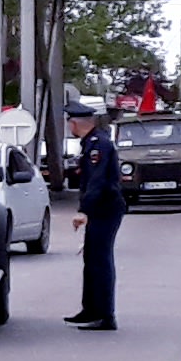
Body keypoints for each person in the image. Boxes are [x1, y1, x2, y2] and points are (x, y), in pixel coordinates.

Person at [64, 98, 124, 330]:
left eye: (70, 122)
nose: (69, 126)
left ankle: (105, 315)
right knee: (91, 259)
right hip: (101, 209)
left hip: (105, 209)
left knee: (100, 261)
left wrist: (84, 211)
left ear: (76, 123)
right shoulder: (91, 143)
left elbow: (97, 181)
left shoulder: (99, 145)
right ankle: (90, 309)